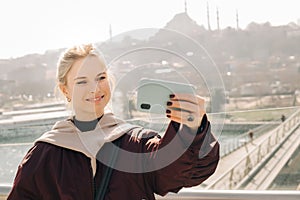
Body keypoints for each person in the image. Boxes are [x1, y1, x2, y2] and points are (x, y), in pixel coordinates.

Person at [7, 44, 219, 200]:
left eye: (101, 78)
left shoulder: (135, 142)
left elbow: (183, 175)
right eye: (82, 81)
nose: (95, 89)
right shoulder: (44, 154)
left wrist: (191, 128)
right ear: (65, 90)